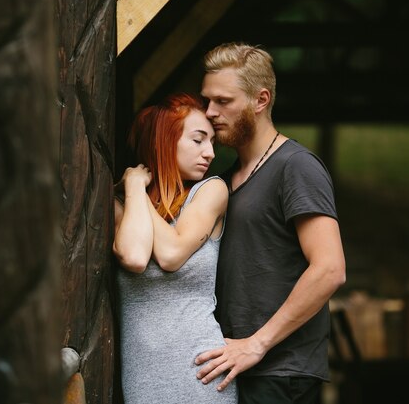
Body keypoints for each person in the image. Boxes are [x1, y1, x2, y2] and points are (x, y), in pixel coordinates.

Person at [194, 42, 346, 404]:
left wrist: (257, 344)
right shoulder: (227, 177)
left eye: (223, 101)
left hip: (281, 372)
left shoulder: (296, 166)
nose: (210, 112)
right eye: (207, 100)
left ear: (260, 100)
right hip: (237, 366)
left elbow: (329, 269)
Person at [113, 93, 238, 404]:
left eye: (211, 142)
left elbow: (170, 255)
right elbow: (135, 256)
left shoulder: (210, 191)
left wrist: (135, 189)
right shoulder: (120, 204)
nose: (209, 152)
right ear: (164, 141)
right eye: (198, 140)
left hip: (201, 373)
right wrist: (134, 189)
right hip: (144, 378)